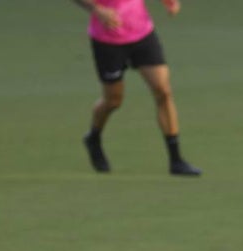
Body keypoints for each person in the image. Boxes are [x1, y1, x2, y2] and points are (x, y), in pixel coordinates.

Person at [72, 0, 201, 176]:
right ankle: (93, 137)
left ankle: (176, 160)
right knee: (113, 101)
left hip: (142, 34)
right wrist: (97, 9)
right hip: (108, 40)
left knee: (163, 91)